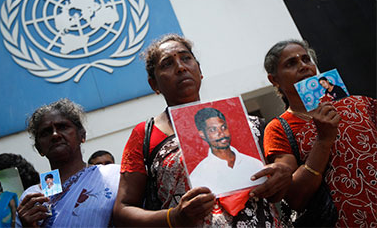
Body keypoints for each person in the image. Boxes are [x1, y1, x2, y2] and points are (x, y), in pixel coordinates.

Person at [113, 34, 292, 227]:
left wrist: (283, 176)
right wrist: (174, 217)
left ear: (199, 70)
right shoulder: (146, 134)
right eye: (167, 64)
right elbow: (122, 210)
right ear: (154, 84)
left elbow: (279, 183)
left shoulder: (243, 122)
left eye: (186, 58)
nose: (181, 67)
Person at [263, 39, 377, 227]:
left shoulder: (359, 105)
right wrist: (323, 140)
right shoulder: (279, 128)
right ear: (274, 79)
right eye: (291, 63)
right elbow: (296, 197)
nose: (303, 66)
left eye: (306, 59)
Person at [16, 99, 120, 227]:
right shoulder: (31, 198)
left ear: (82, 135)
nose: (55, 135)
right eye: (46, 132)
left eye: (63, 127)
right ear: (39, 148)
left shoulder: (114, 176)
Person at [190, 107, 266, 195]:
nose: (222, 133)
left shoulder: (254, 163)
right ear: (202, 134)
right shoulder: (198, 176)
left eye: (223, 127)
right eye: (213, 130)